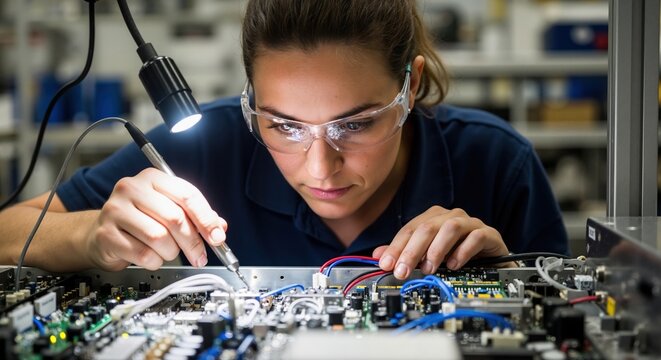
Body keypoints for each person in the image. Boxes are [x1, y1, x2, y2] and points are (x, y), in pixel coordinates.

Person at [0, 0, 568, 279]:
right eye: (285, 125)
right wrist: (92, 235)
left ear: (411, 85)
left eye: (356, 123)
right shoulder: (205, 145)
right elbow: (7, 231)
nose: (320, 167)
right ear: (251, 99)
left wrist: (507, 274)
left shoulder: (495, 161)